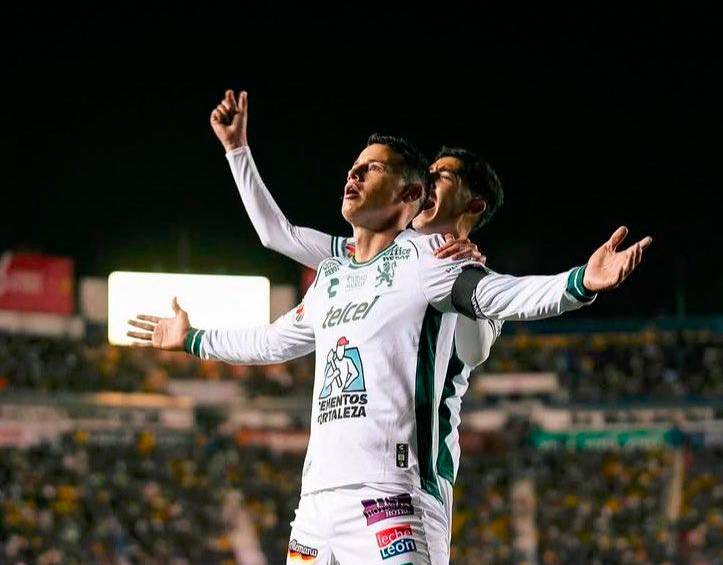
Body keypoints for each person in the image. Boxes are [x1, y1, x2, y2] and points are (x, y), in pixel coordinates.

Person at [129, 132, 651, 564]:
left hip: (394, 494)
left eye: (372, 170)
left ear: (421, 197)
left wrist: (580, 281)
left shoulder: (438, 264)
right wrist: (195, 338)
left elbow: (499, 297)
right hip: (316, 504)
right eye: (355, 167)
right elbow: (276, 329)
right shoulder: (338, 269)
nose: (353, 176)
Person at [210, 92, 505, 535]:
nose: (425, 181)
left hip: (422, 472)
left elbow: (474, 351)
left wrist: (470, 278)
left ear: (473, 205)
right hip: (357, 476)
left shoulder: (473, 275)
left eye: (439, 176)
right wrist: (237, 151)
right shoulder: (363, 258)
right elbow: (278, 235)